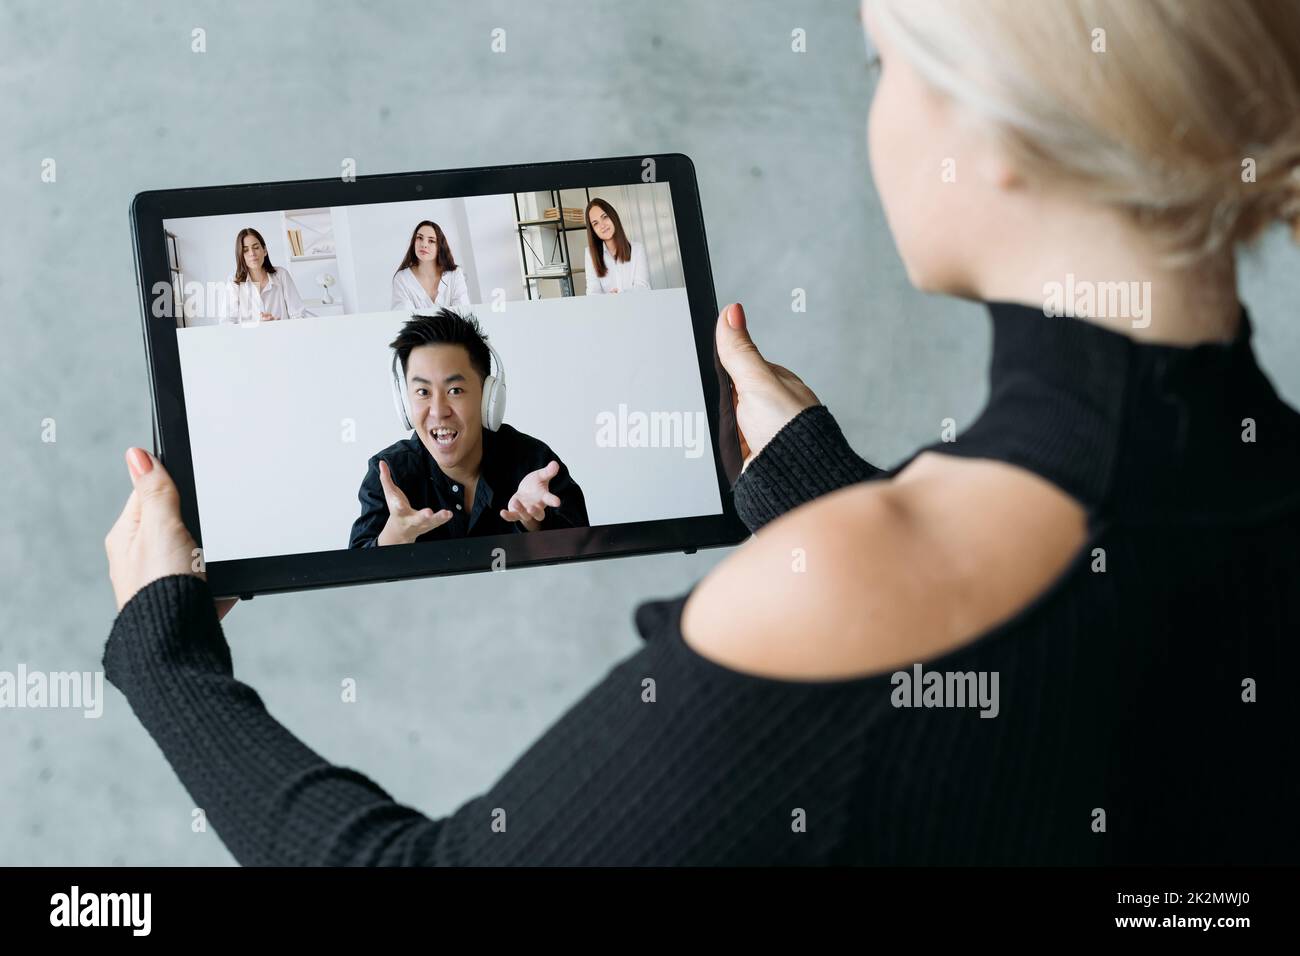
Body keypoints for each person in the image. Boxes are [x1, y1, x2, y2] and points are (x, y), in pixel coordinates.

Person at [103, 0, 1300, 865]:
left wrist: (164, 656)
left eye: (883, 63)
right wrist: (813, 481)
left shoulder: (852, 577)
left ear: (991, 135)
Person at [348, 309, 588, 547]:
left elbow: (587, 565)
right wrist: (394, 538)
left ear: (488, 398)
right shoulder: (389, 476)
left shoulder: (535, 464)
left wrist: (535, 524)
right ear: (404, 401)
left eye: (455, 391)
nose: (438, 410)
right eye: (423, 392)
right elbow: (355, 578)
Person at [220, 227, 305, 324]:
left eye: (256, 247)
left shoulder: (281, 275)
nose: (252, 253)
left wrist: (279, 326)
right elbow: (226, 322)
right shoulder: (234, 282)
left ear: (264, 250)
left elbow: (299, 315)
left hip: (282, 336)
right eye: (245, 250)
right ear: (241, 256)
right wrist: (257, 325)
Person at [390, 220, 472, 311]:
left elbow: (464, 313)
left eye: (431, 241)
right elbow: (404, 318)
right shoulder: (402, 279)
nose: (424, 244)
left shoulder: (455, 274)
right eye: (420, 238)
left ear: (440, 247)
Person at [582, 198, 651, 294]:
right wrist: (610, 299)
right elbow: (593, 293)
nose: (602, 225)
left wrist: (620, 295)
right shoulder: (590, 254)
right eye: (595, 223)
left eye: (605, 217)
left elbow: (642, 288)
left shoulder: (637, 249)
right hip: (607, 308)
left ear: (613, 216)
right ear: (593, 230)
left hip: (636, 307)